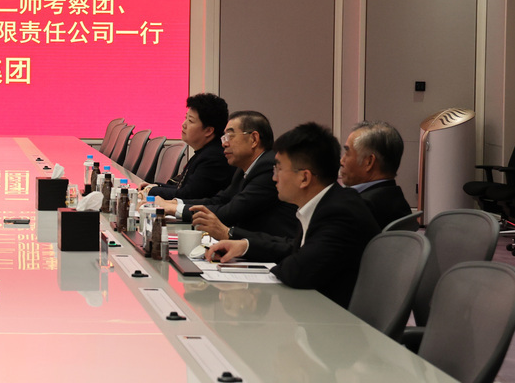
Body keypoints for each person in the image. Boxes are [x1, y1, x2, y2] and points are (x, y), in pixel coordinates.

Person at [206, 122, 381, 307]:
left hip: (335, 317)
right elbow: (293, 248)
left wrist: (271, 268)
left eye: (279, 169)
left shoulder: (340, 213)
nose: (274, 178)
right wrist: (245, 245)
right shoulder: (327, 202)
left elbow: (297, 271)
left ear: (304, 177)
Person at [155, 110, 299, 242]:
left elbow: (229, 213)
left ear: (254, 139)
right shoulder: (245, 168)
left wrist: (173, 209)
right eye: (224, 137)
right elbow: (220, 200)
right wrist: (175, 203)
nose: (224, 144)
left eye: (230, 136)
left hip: (272, 251)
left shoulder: (268, 167)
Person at [146, 93, 233, 200]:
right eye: (186, 118)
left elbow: (187, 195)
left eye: (191, 121)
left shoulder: (213, 158)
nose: (184, 124)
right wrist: (156, 186)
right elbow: (183, 187)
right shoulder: (205, 151)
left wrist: (150, 191)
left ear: (209, 131)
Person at [339, 120, 413, 229]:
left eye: (347, 153)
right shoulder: (396, 198)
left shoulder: (358, 208)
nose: (341, 161)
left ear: (369, 162)